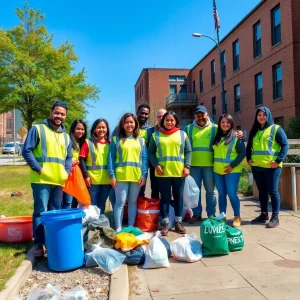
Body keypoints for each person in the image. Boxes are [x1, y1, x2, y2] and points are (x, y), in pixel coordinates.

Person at [22, 101, 72, 257]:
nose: (59, 116)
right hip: (41, 180)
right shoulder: (38, 129)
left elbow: (69, 157)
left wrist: (66, 172)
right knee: (41, 212)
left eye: (62, 114)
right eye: (57, 113)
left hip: (58, 180)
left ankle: (51, 243)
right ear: (51, 113)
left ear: (65, 116)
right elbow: (26, 151)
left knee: (54, 212)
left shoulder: (66, 137)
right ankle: (38, 244)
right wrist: (38, 168)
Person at [148, 111, 192, 236]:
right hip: (163, 173)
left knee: (179, 197)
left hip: (179, 172)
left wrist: (187, 166)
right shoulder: (156, 135)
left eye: (172, 120)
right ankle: (165, 223)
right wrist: (156, 165)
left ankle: (178, 222)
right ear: (163, 121)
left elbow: (188, 151)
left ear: (176, 121)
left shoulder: (182, 134)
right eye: (167, 120)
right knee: (165, 198)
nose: (169, 122)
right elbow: (150, 152)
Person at [246, 106, 289, 228]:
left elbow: (285, 146)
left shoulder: (276, 129)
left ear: (268, 115)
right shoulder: (254, 130)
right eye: (259, 115)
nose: (261, 117)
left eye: (264, 115)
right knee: (262, 192)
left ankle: (275, 217)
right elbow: (248, 147)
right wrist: (248, 159)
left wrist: (278, 160)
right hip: (257, 167)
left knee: (273, 191)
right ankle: (264, 214)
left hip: (272, 167)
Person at [108, 113, 148, 232]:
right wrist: (112, 175)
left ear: (135, 124)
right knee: (120, 202)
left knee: (132, 202)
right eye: (126, 122)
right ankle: (118, 227)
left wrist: (144, 175)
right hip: (121, 176)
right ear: (122, 124)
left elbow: (144, 159)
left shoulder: (141, 140)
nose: (129, 124)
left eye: (131, 122)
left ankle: (130, 226)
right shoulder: (116, 139)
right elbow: (110, 158)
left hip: (136, 176)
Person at [184, 105, 218, 223]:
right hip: (193, 166)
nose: (200, 117)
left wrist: (237, 133)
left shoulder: (215, 128)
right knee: (195, 191)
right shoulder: (188, 129)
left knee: (210, 191)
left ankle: (211, 214)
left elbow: (228, 135)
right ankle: (197, 214)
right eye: (198, 115)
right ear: (195, 116)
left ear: (207, 114)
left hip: (209, 166)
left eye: (202, 114)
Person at [212, 114, 246, 227]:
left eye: (227, 122)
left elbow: (242, 153)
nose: (225, 124)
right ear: (219, 124)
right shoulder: (216, 137)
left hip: (232, 171)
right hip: (218, 171)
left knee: (231, 194)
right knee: (221, 194)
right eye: (222, 122)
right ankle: (222, 216)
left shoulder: (236, 137)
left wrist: (232, 166)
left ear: (231, 123)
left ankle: (237, 217)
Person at [79, 119, 111, 214]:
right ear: (94, 129)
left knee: (102, 203)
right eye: (99, 127)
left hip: (106, 180)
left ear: (107, 129)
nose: (101, 130)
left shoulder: (110, 143)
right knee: (92, 204)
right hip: (92, 180)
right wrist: (86, 176)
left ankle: (99, 224)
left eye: (103, 127)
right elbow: (82, 160)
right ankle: (91, 224)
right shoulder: (87, 142)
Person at [61, 119, 87, 209]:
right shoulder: (67, 141)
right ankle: (66, 220)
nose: (80, 131)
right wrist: (69, 160)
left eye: (82, 129)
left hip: (78, 176)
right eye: (78, 129)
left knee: (76, 201)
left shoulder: (83, 143)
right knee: (68, 201)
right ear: (73, 129)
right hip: (69, 175)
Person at [146, 108, 167, 199]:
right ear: (155, 118)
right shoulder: (150, 132)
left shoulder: (175, 132)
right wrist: (155, 164)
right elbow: (148, 150)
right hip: (154, 166)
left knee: (166, 191)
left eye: (163, 116)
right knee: (155, 190)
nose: (161, 118)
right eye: (159, 116)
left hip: (169, 165)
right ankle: (155, 211)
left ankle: (166, 211)